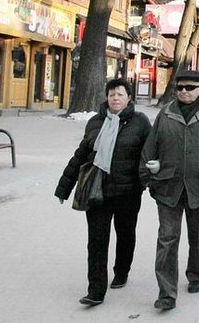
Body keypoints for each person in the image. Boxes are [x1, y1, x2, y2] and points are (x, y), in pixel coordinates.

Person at [140, 70, 199, 312]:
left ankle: (196, 274)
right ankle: (166, 293)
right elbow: (151, 147)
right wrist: (149, 176)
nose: (183, 91)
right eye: (180, 87)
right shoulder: (166, 113)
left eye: (190, 87)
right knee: (167, 240)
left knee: (198, 237)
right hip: (168, 186)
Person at [54, 78, 151, 306]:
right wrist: (63, 187)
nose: (115, 98)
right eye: (111, 94)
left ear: (129, 97)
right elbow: (81, 155)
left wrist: (152, 182)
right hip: (97, 191)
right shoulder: (95, 122)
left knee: (126, 234)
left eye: (120, 94)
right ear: (106, 98)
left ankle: (122, 270)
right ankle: (96, 290)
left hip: (128, 192)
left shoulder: (140, 122)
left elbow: (150, 154)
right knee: (97, 240)